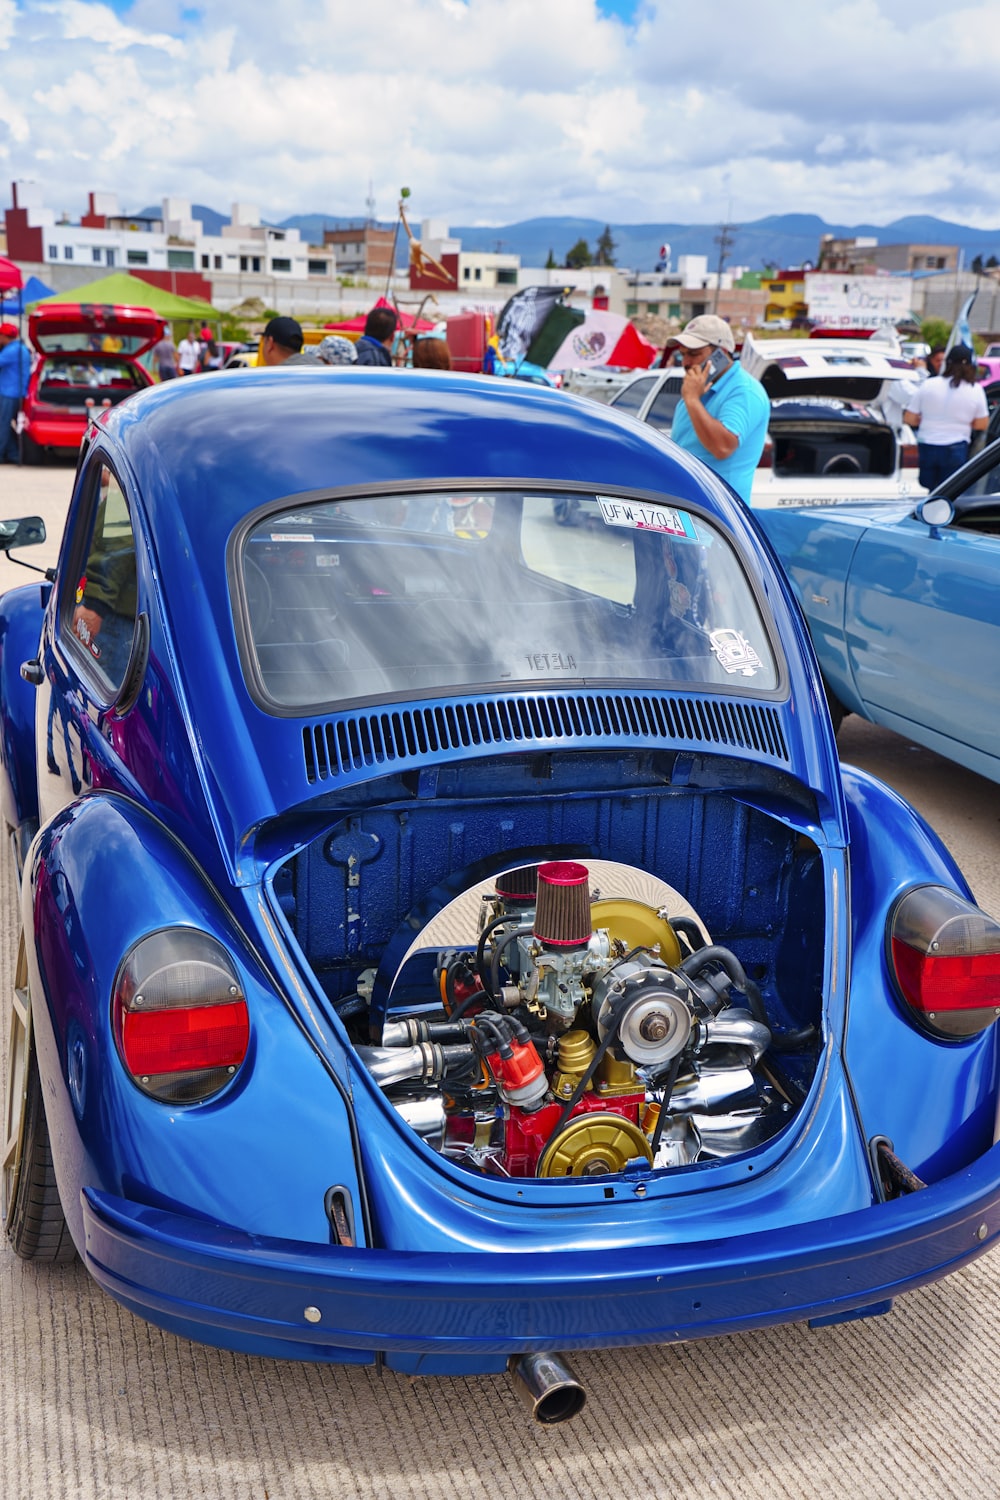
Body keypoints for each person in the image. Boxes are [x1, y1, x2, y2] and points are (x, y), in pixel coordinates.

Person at [665, 314, 770, 503]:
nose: (686, 362)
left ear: (720, 352)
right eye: (683, 354)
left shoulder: (744, 391)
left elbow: (722, 446)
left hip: (717, 515)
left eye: (694, 354)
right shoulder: (700, 389)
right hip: (688, 507)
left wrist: (692, 400)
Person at [904, 343, 988, 490]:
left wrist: (928, 420)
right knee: (950, 492)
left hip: (927, 444)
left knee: (927, 490)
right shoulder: (976, 390)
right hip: (956, 447)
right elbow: (982, 424)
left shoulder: (928, 384)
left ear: (947, 363)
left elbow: (909, 418)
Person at [0, 321, 31, 464]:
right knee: (5, 424)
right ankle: (13, 454)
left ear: (5, 337)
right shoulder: (20, 348)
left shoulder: (12, 350)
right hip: (14, 392)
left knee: (3, 425)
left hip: (9, 392)